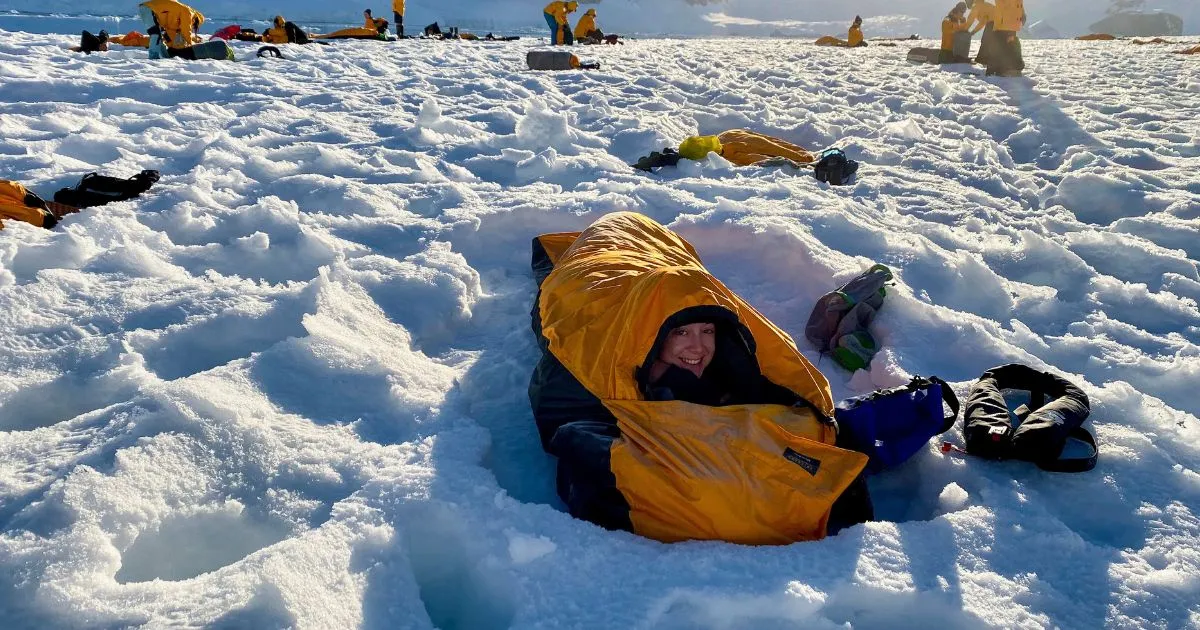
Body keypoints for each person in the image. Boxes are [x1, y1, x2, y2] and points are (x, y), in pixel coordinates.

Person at [678, 129, 816, 167]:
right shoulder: (729, 134)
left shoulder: (736, 157)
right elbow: (773, 145)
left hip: (804, 156)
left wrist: (804, 159)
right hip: (802, 153)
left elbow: (773, 153)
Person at [988, 0, 1025, 76]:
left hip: (1005, 24)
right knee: (1006, 46)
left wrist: (1022, 14)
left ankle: (1003, 70)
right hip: (1007, 23)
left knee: (1003, 47)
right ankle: (1006, 69)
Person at [964, 0, 996, 65]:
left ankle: (982, 59)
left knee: (985, 40)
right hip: (996, 22)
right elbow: (983, 22)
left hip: (994, 22)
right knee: (987, 41)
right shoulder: (981, 5)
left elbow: (970, 19)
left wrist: (964, 30)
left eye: (967, 2)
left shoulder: (976, 6)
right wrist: (973, 32)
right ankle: (984, 59)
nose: (967, 5)